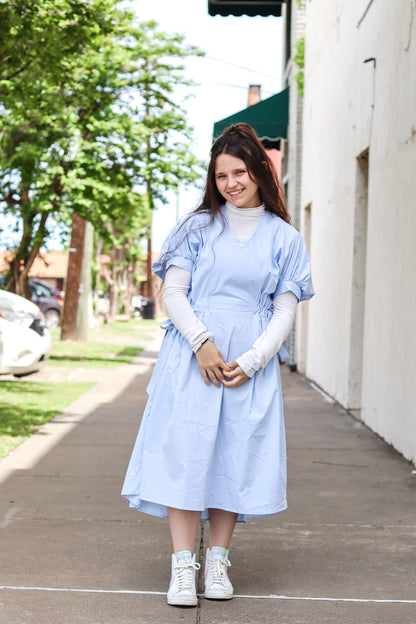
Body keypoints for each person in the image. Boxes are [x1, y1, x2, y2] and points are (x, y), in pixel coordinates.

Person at [122, 123, 314, 607]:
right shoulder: (197, 228)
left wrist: (252, 360)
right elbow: (173, 292)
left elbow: (286, 308)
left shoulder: (285, 238)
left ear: (259, 174)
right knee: (185, 454)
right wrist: (202, 343)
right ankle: (183, 567)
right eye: (222, 174)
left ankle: (217, 563)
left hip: (248, 363)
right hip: (193, 358)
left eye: (241, 172)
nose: (231, 182)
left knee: (233, 455)